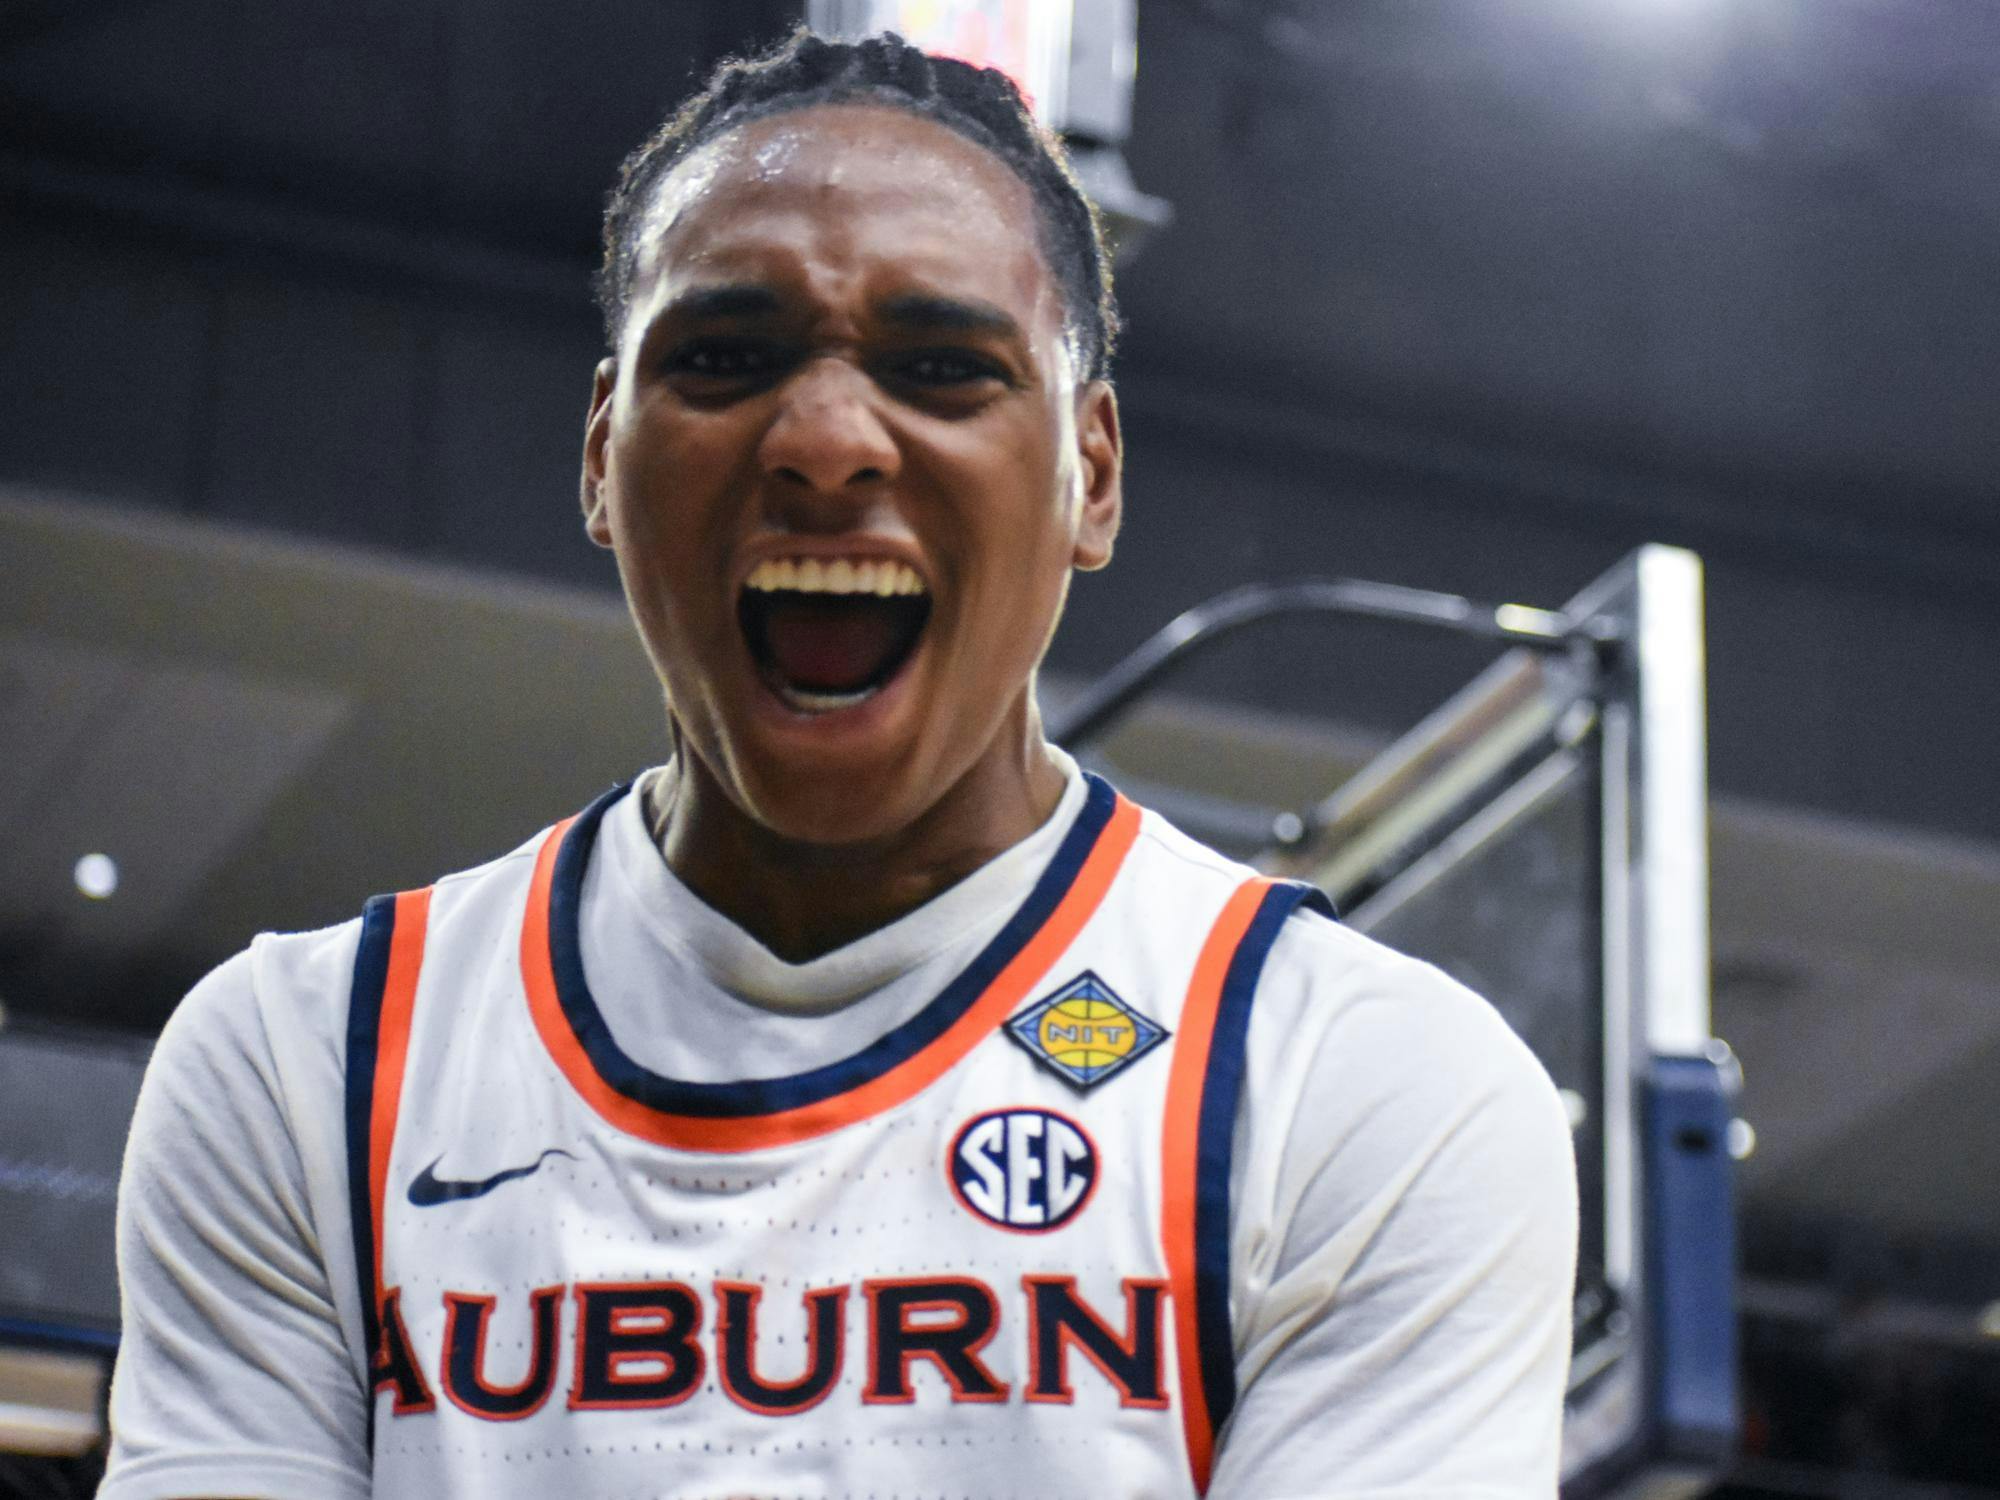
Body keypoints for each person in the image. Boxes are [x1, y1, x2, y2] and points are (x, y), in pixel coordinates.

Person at [100, 28, 1577, 1500]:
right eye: (727, 358)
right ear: (601, 457)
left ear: (1095, 477)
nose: (823, 440)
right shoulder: (304, 1068)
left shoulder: (1360, 1087)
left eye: (941, 368)